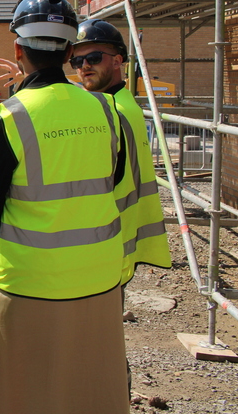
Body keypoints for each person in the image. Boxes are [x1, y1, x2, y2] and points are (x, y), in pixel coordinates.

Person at [0, 0, 128, 414]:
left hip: (26, 290)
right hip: (98, 282)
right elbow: (110, 178)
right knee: (91, 395)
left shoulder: (4, 120)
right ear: (68, 50)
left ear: (18, 49)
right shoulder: (106, 110)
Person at [71, 19, 171, 285]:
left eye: (93, 57)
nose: (84, 67)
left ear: (117, 61)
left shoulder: (113, 113)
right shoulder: (123, 103)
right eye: (76, 62)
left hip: (107, 247)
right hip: (119, 244)